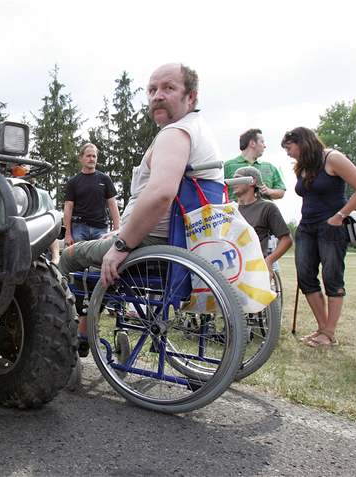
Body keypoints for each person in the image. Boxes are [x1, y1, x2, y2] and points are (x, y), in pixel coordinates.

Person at [58, 63, 222, 355]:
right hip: (174, 242)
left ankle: (74, 337)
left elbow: (160, 195)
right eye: (152, 89)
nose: (157, 95)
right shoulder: (198, 130)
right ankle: (94, 324)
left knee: (69, 258)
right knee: (96, 258)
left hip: (149, 244)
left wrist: (122, 244)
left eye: (169, 88)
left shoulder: (176, 133)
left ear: (191, 97)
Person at [282, 127, 356, 348]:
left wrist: (340, 216)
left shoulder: (333, 158)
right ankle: (322, 328)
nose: (288, 153)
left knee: (332, 277)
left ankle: (329, 332)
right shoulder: (304, 165)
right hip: (306, 227)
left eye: (289, 148)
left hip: (330, 226)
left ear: (302, 142)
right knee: (305, 276)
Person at [231, 166, 293, 273]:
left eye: (238, 178)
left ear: (252, 181)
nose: (233, 182)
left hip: (254, 268)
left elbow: (286, 240)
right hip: (231, 266)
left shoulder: (267, 208)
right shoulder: (229, 208)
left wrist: (269, 261)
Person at [63, 143, 120, 247]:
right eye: (88, 156)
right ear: (81, 158)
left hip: (101, 229)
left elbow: (112, 205)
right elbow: (68, 207)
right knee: (79, 261)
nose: (91, 159)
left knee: (100, 261)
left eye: (94, 156)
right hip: (79, 229)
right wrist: (67, 234)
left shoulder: (105, 179)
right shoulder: (73, 182)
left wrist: (117, 229)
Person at [224, 129, 286, 201]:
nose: (265, 146)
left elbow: (281, 191)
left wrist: (269, 191)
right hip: (236, 211)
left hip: (264, 211)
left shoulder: (270, 167)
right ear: (252, 143)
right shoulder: (228, 166)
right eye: (262, 142)